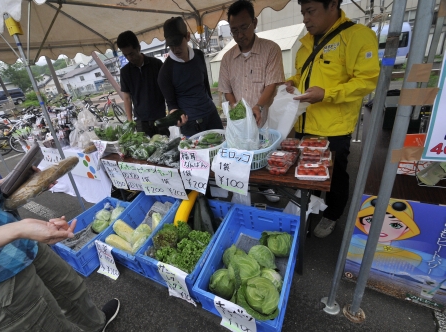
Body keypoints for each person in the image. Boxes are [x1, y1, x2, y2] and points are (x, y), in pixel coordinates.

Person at [0, 112, 120, 331]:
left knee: (71, 289)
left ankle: (97, 325)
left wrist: (19, 183)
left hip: (18, 239)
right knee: (50, 324)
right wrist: (17, 230)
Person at [285, 0, 379, 237]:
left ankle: (332, 215)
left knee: (335, 176)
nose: (305, 18)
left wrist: (327, 94)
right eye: (303, 12)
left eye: (311, 11)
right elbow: (301, 74)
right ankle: (312, 209)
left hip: (334, 129)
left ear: (333, 6)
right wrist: (292, 82)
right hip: (305, 124)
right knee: (308, 175)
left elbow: (366, 81)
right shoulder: (305, 43)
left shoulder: (357, 36)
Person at [218, 0, 285, 203]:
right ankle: (243, 187)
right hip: (240, 124)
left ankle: (266, 186)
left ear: (254, 23)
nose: (239, 34)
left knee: (264, 156)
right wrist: (237, 110)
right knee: (241, 157)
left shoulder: (271, 49)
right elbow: (226, 90)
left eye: (244, 27)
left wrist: (258, 107)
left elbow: (271, 85)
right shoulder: (227, 58)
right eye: (234, 30)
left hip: (265, 117)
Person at [158, 16, 223, 137]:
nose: (175, 49)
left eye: (178, 43)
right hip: (191, 123)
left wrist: (211, 105)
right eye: (171, 45)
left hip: (211, 115)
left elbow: (205, 85)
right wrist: (175, 115)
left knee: (221, 147)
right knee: (199, 155)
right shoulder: (165, 72)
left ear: (187, 36)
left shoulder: (198, 55)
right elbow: (171, 104)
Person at [117, 30, 170, 137]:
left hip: (160, 117)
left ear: (138, 48)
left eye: (131, 54)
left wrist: (171, 109)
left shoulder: (157, 64)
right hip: (140, 120)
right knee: (145, 150)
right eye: (125, 55)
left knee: (166, 146)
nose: (129, 58)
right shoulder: (125, 72)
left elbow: (168, 89)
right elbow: (127, 97)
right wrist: (130, 120)